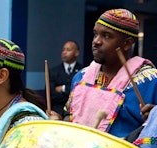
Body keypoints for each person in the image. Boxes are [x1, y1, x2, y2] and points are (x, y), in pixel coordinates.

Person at [65, 8, 157, 138]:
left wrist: (154, 118)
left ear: (127, 43)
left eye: (106, 36)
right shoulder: (81, 77)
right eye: (95, 34)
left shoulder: (151, 81)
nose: (96, 41)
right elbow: (69, 116)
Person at [48, 40, 83, 117]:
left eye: (68, 50)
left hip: (75, 113)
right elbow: (51, 94)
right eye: (63, 49)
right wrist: (69, 93)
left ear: (76, 53)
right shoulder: (53, 71)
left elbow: (80, 93)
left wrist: (63, 88)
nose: (64, 52)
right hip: (56, 112)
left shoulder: (83, 71)